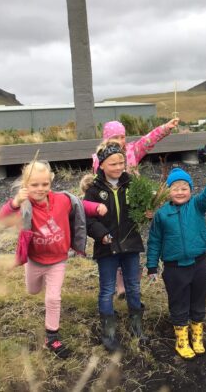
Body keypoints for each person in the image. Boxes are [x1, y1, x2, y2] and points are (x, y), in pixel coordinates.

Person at [0, 160, 105, 358]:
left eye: (45, 184)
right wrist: (15, 202)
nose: (40, 189)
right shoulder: (24, 206)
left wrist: (96, 207)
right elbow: (2, 219)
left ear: (50, 182)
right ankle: (37, 282)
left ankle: (52, 337)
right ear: (25, 185)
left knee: (53, 298)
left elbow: (80, 205)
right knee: (33, 290)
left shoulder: (62, 200)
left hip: (57, 260)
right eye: (34, 185)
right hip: (35, 260)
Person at [90, 117, 178, 300]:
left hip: (132, 203)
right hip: (111, 204)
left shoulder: (132, 150)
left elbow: (148, 140)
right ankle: (120, 284)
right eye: (115, 137)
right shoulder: (100, 157)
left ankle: (131, 279)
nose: (120, 141)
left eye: (122, 137)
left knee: (131, 240)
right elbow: (97, 181)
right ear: (106, 139)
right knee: (115, 242)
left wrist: (166, 128)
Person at [146, 168, 206, 359]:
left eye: (184, 188)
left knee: (198, 300)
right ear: (168, 191)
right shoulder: (162, 214)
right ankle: (181, 340)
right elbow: (154, 241)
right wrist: (152, 265)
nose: (180, 192)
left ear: (191, 190)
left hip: (199, 264)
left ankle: (197, 336)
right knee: (178, 303)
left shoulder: (197, 205)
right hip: (174, 269)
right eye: (175, 188)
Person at [84, 142, 146, 351]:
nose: (118, 167)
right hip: (107, 248)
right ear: (101, 165)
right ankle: (108, 332)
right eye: (113, 164)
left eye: (121, 163)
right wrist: (101, 234)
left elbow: (140, 210)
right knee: (107, 289)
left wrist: (147, 213)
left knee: (133, 286)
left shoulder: (132, 184)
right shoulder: (94, 190)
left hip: (130, 244)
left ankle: (136, 326)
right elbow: (88, 220)